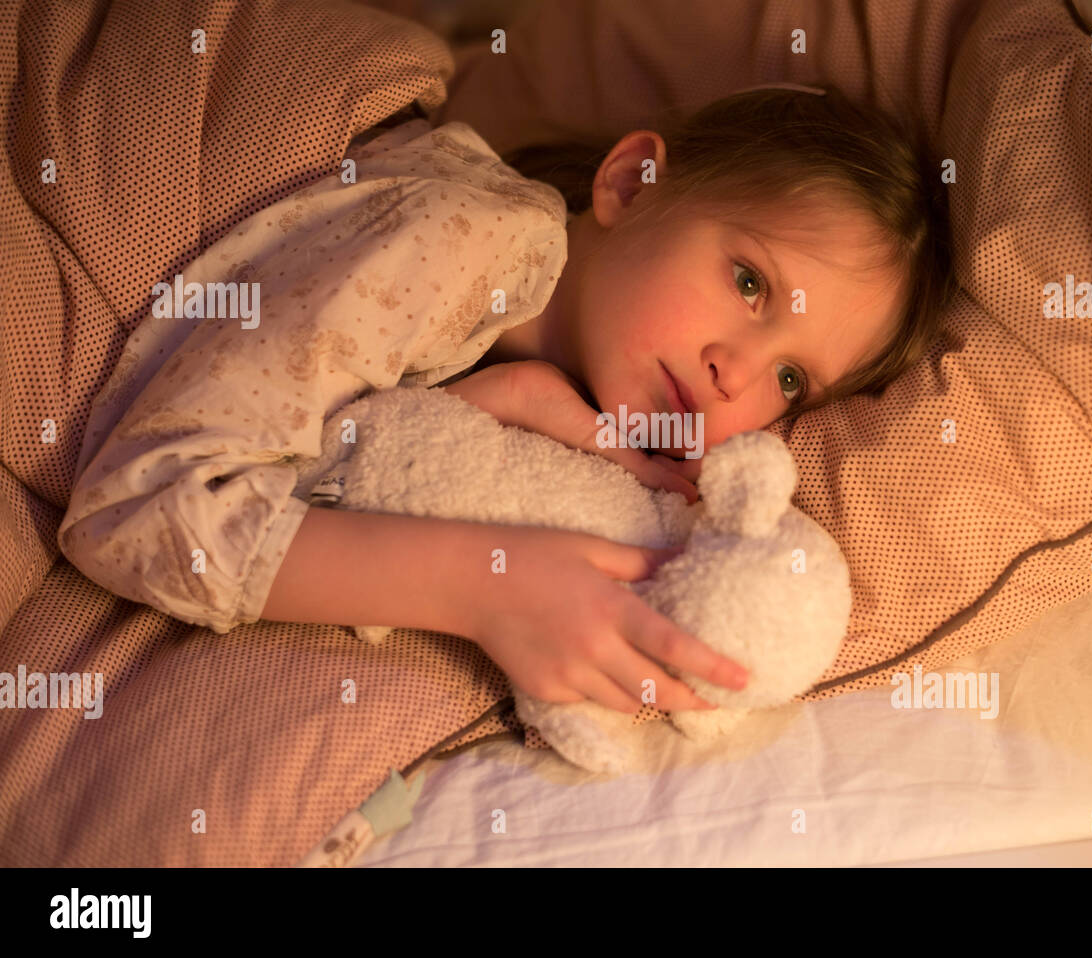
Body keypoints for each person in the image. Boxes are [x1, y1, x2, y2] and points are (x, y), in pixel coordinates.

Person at [58, 84, 955, 719]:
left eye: (792, 381)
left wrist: (510, 398)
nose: (740, 374)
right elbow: (142, 510)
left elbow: (336, 443)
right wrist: (487, 586)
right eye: (752, 281)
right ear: (631, 184)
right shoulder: (473, 238)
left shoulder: (552, 384)